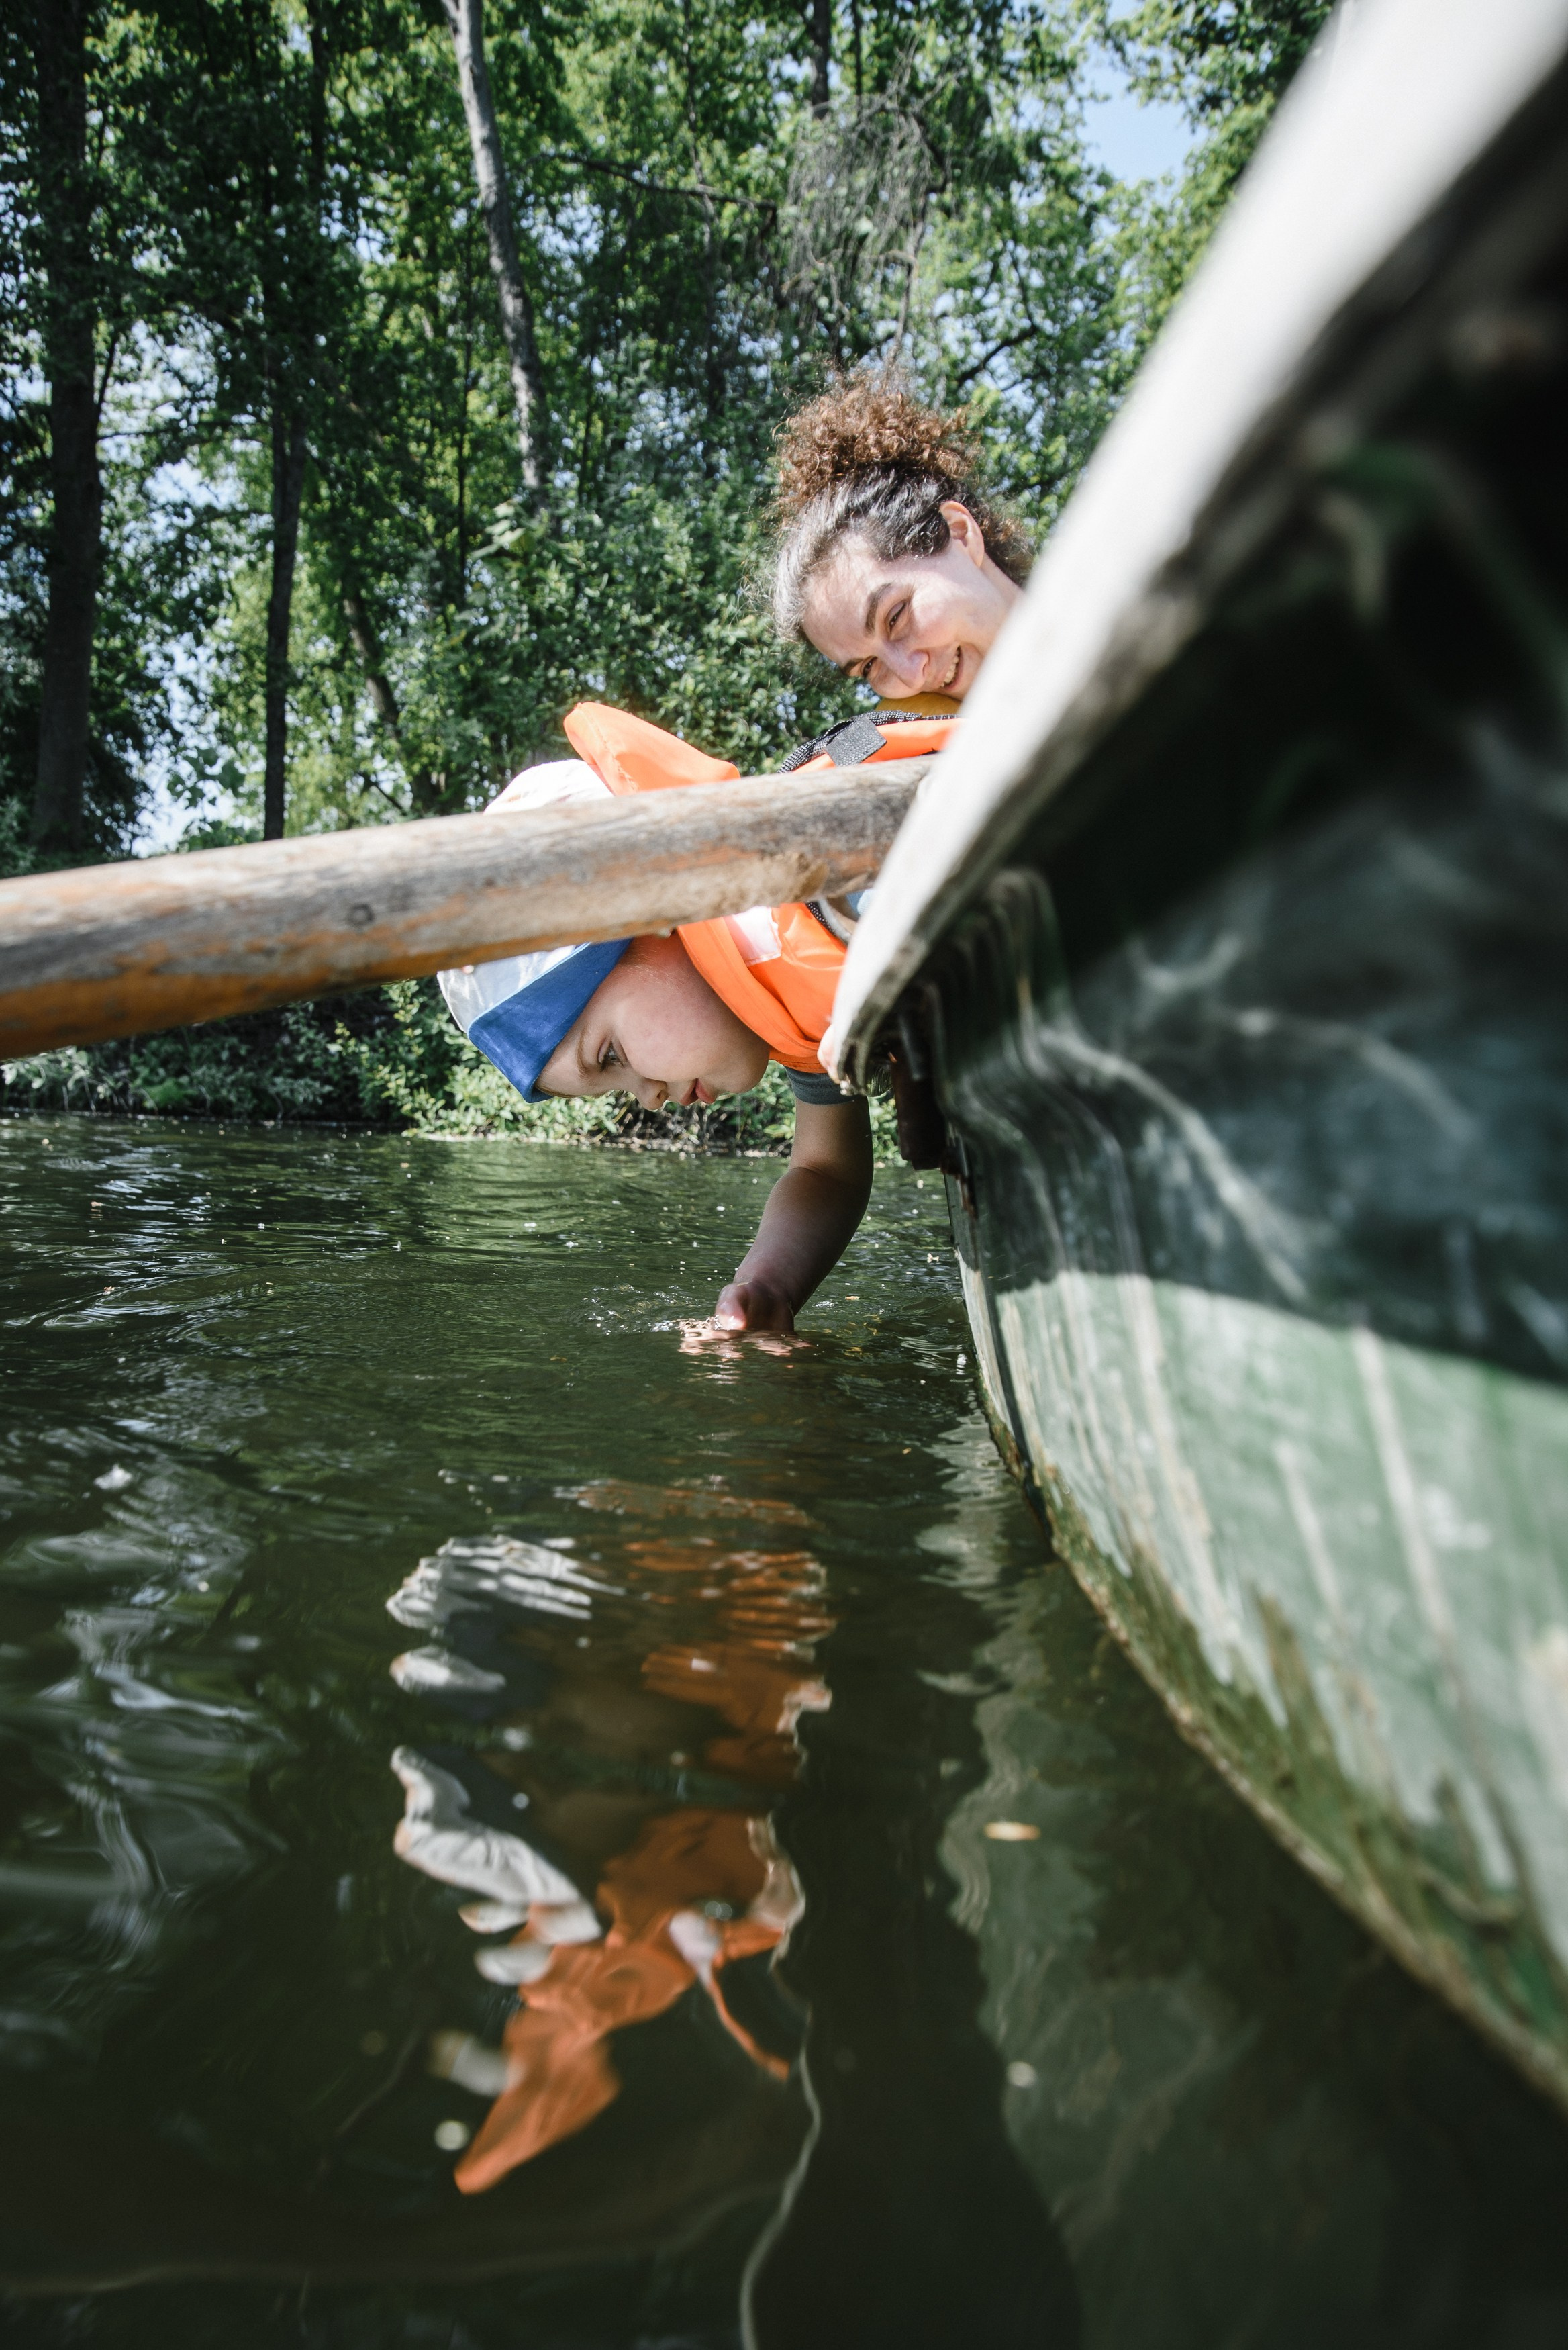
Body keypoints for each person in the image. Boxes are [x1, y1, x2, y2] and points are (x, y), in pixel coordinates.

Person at [442, 375, 1029, 1335]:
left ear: (651, 922)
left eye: (612, 1055)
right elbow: (826, 1165)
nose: (647, 1098)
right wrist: (768, 1289)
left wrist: (893, 962)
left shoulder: (812, 856)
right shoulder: (768, 981)